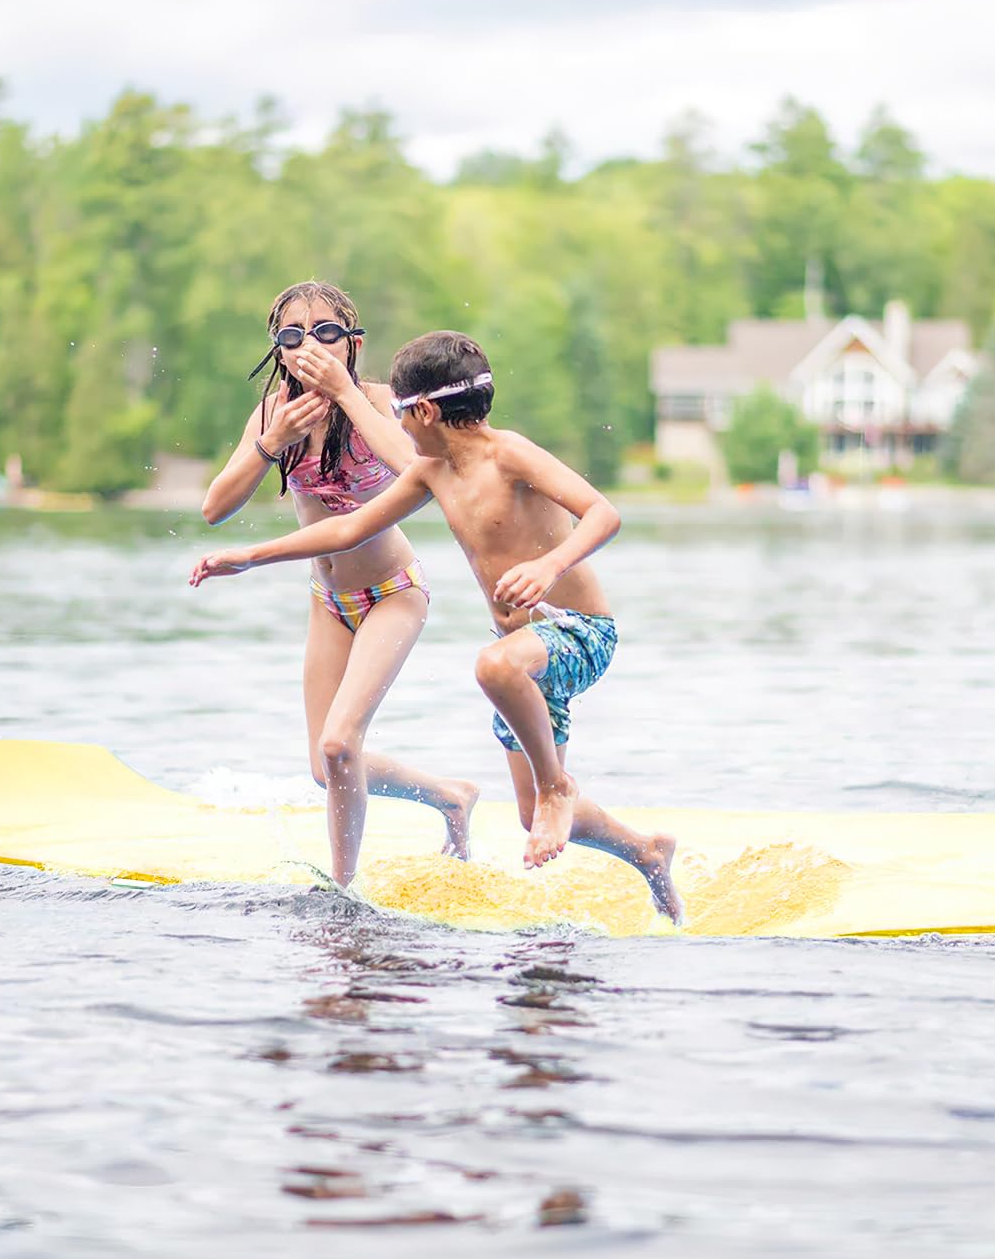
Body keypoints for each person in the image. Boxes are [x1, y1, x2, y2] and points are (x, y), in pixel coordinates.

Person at [192, 329, 683, 924]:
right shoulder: (432, 474)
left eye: (399, 414)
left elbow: (604, 512)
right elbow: (349, 529)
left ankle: (559, 785)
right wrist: (250, 557)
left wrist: (550, 564)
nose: (396, 428)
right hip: (525, 664)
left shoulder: (511, 454)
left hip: (577, 631)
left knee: (492, 667)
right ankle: (647, 852)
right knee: (531, 817)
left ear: (424, 411)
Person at [201, 284, 477, 888]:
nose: (310, 347)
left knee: (339, 741)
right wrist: (270, 444)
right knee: (328, 766)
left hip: (393, 591)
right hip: (327, 602)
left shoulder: (378, 400)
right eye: (292, 336)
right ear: (278, 350)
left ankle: (341, 888)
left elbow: (417, 470)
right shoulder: (274, 414)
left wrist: (348, 395)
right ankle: (449, 796)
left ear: (353, 343)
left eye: (326, 332)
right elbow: (215, 508)